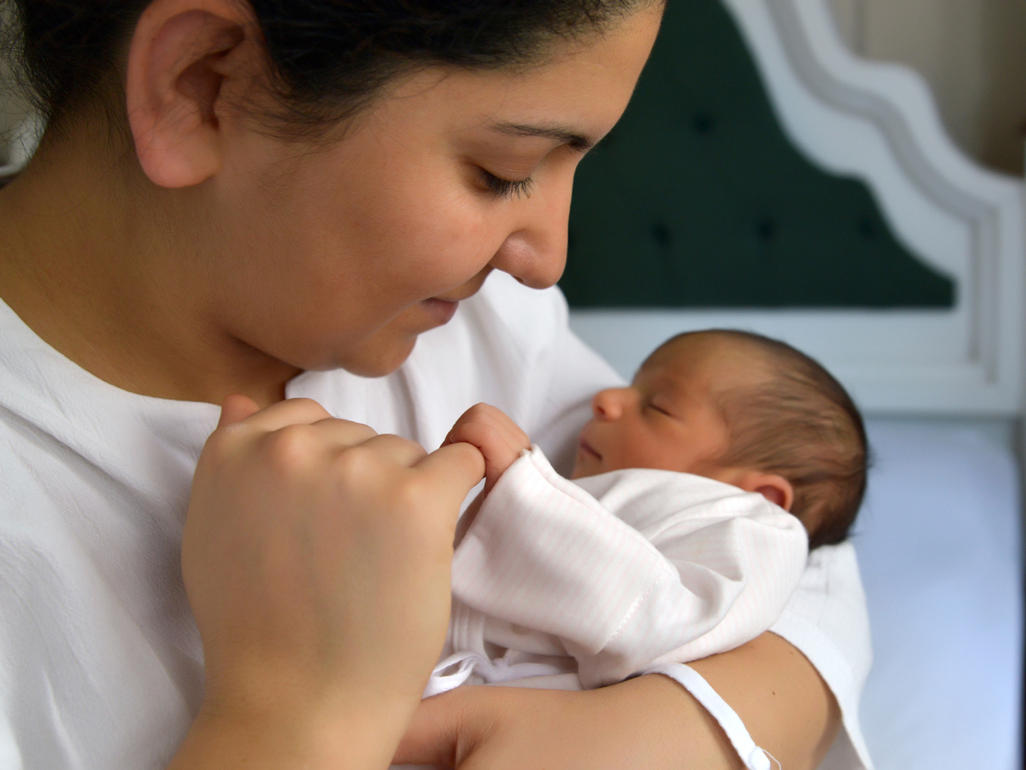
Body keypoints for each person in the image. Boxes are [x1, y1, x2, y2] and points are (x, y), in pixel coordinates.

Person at [0, 2, 872, 769]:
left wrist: (681, 731)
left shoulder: (472, 328)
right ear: (202, 83)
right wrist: (293, 717)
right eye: (501, 171)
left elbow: (789, 545)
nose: (546, 260)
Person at [418, 328, 867, 704]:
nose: (606, 398)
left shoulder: (761, 533)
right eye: (632, 384)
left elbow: (661, 622)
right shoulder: (649, 508)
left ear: (760, 495)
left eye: (657, 407)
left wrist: (524, 491)